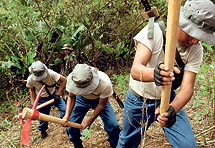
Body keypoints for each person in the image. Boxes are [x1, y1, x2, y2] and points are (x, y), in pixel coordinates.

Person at [117, 0, 215, 148]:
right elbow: (136, 70)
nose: (195, 41)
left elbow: (187, 88)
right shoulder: (154, 31)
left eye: (200, 37)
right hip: (138, 100)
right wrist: (154, 73)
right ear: (182, 23)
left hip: (167, 99)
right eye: (192, 33)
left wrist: (173, 108)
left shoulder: (196, 50)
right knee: (126, 144)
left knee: (187, 145)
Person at [62, 64, 120, 148]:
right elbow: (71, 97)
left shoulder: (104, 82)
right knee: (71, 128)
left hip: (98, 100)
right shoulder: (72, 79)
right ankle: (77, 145)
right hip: (80, 100)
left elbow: (101, 105)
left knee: (113, 125)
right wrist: (67, 115)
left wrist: (90, 120)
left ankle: (114, 144)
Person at [26, 61, 67, 141]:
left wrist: (58, 94)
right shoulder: (30, 79)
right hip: (42, 99)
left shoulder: (51, 73)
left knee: (65, 110)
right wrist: (33, 103)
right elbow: (32, 90)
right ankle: (43, 132)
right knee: (43, 118)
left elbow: (64, 80)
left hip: (54, 95)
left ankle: (68, 127)